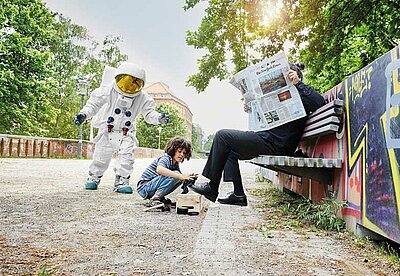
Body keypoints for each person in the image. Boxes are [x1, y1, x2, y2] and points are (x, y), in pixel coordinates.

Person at [190, 63, 328, 206]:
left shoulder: (301, 93)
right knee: (228, 150)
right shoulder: (278, 95)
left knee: (222, 136)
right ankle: (238, 195)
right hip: (267, 138)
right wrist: (252, 107)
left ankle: (212, 187)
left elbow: (319, 103)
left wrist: (298, 84)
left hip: (276, 144)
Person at [74, 62, 170, 194]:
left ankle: (122, 180)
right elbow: (93, 105)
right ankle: (94, 177)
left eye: (134, 83)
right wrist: (84, 114)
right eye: (126, 82)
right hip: (108, 130)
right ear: (118, 78)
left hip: (127, 132)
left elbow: (149, 114)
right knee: (101, 155)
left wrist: (159, 118)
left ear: (141, 84)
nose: (129, 86)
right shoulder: (108, 90)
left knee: (127, 157)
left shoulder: (143, 97)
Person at [137, 136, 198, 208]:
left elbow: (179, 178)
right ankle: (155, 198)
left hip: (151, 187)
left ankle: (160, 197)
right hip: (144, 187)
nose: (182, 155)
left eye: (184, 153)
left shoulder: (175, 163)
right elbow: (159, 169)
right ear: (173, 150)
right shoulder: (165, 158)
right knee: (177, 175)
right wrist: (180, 176)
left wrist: (188, 177)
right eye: (179, 151)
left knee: (179, 177)